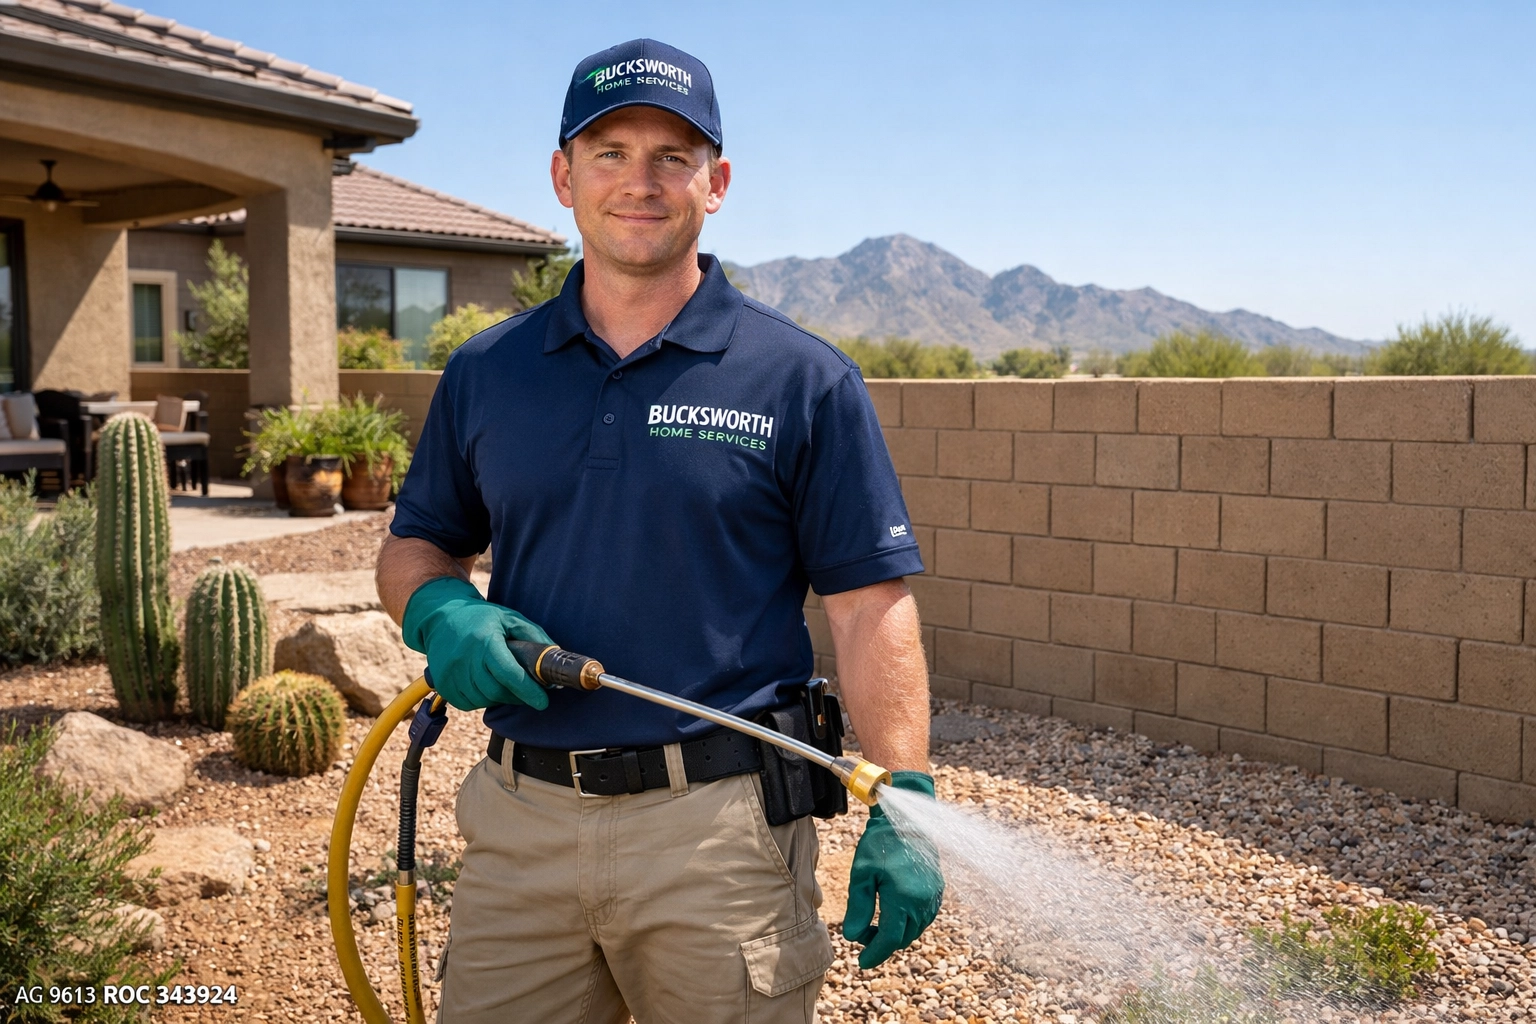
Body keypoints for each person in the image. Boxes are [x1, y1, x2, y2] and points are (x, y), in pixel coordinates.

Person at [376, 37, 943, 1024]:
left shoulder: (802, 380)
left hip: (719, 842)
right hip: (520, 828)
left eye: (672, 156)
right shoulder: (487, 371)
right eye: (610, 152)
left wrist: (905, 799)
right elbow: (419, 541)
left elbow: (868, 606)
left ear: (715, 183)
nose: (640, 181)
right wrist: (437, 610)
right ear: (563, 176)